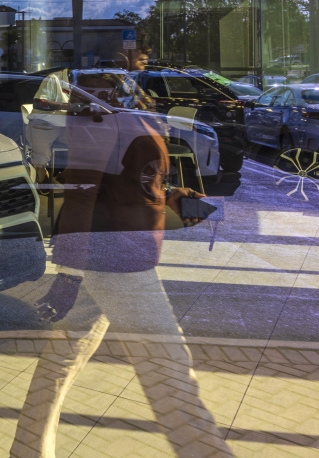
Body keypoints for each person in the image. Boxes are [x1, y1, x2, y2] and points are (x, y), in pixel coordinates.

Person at [12, 102, 231, 458]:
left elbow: (130, 180)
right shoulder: (99, 113)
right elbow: (82, 195)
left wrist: (170, 194)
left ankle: (28, 450)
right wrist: (68, 275)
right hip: (118, 262)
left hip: (114, 257)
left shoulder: (127, 105)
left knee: (62, 359)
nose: (142, 53)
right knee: (169, 373)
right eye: (134, 46)